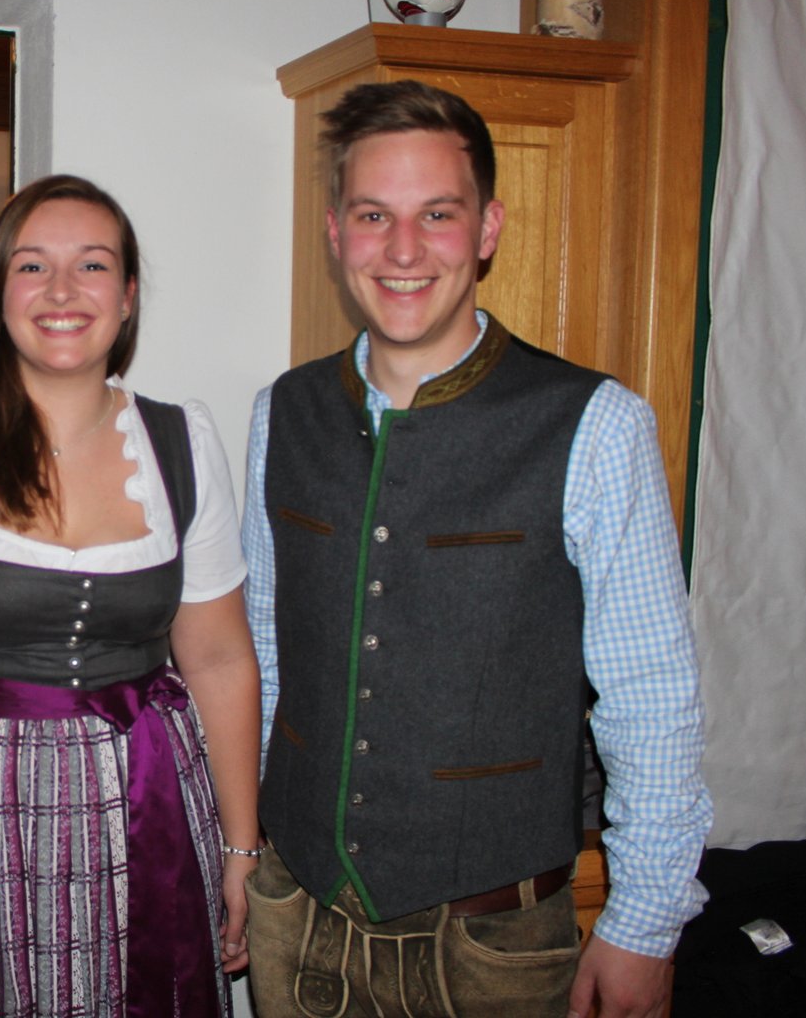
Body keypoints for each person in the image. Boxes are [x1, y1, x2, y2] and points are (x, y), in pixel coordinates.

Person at [241, 79, 713, 1018]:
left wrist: (645, 923)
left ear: (488, 228)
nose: (402, 249)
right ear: (335, 232)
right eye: (373, 215)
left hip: (492, 953)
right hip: (295, 923)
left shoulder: (596, 426)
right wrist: (242, 849)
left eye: (438, 214)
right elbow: (263, 652)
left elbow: (651, 696)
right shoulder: (280, 412)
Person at [0, 175, 262, 1016]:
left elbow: (218, 657)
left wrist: (240, 847)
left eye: (92, 265)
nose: (63, 291)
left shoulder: (181, 442)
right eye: (32, 266)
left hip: (148, 800)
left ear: (127, 296)